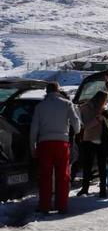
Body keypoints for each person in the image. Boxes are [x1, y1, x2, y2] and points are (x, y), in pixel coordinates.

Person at [29, 82, 82, 214]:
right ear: (58, 90)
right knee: (63, 176)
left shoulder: (40, 107)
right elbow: (76, 125)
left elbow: (33, 129)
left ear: (46, 91)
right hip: (61, 144)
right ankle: (62, 206)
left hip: (44, 144)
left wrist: (32, 147)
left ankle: (44, 206)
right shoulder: (66, 104)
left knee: (45, 176)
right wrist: (75, 132)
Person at [77, 91, 108, 198]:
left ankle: (103, 189)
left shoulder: (103, 108)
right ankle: (85, 188)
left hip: (102, 140)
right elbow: (85, 125)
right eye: (104, 100)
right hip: (89, 139)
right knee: (88, 166)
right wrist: (98, 119)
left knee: (102, 166)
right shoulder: (85, 107)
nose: (105, 103)